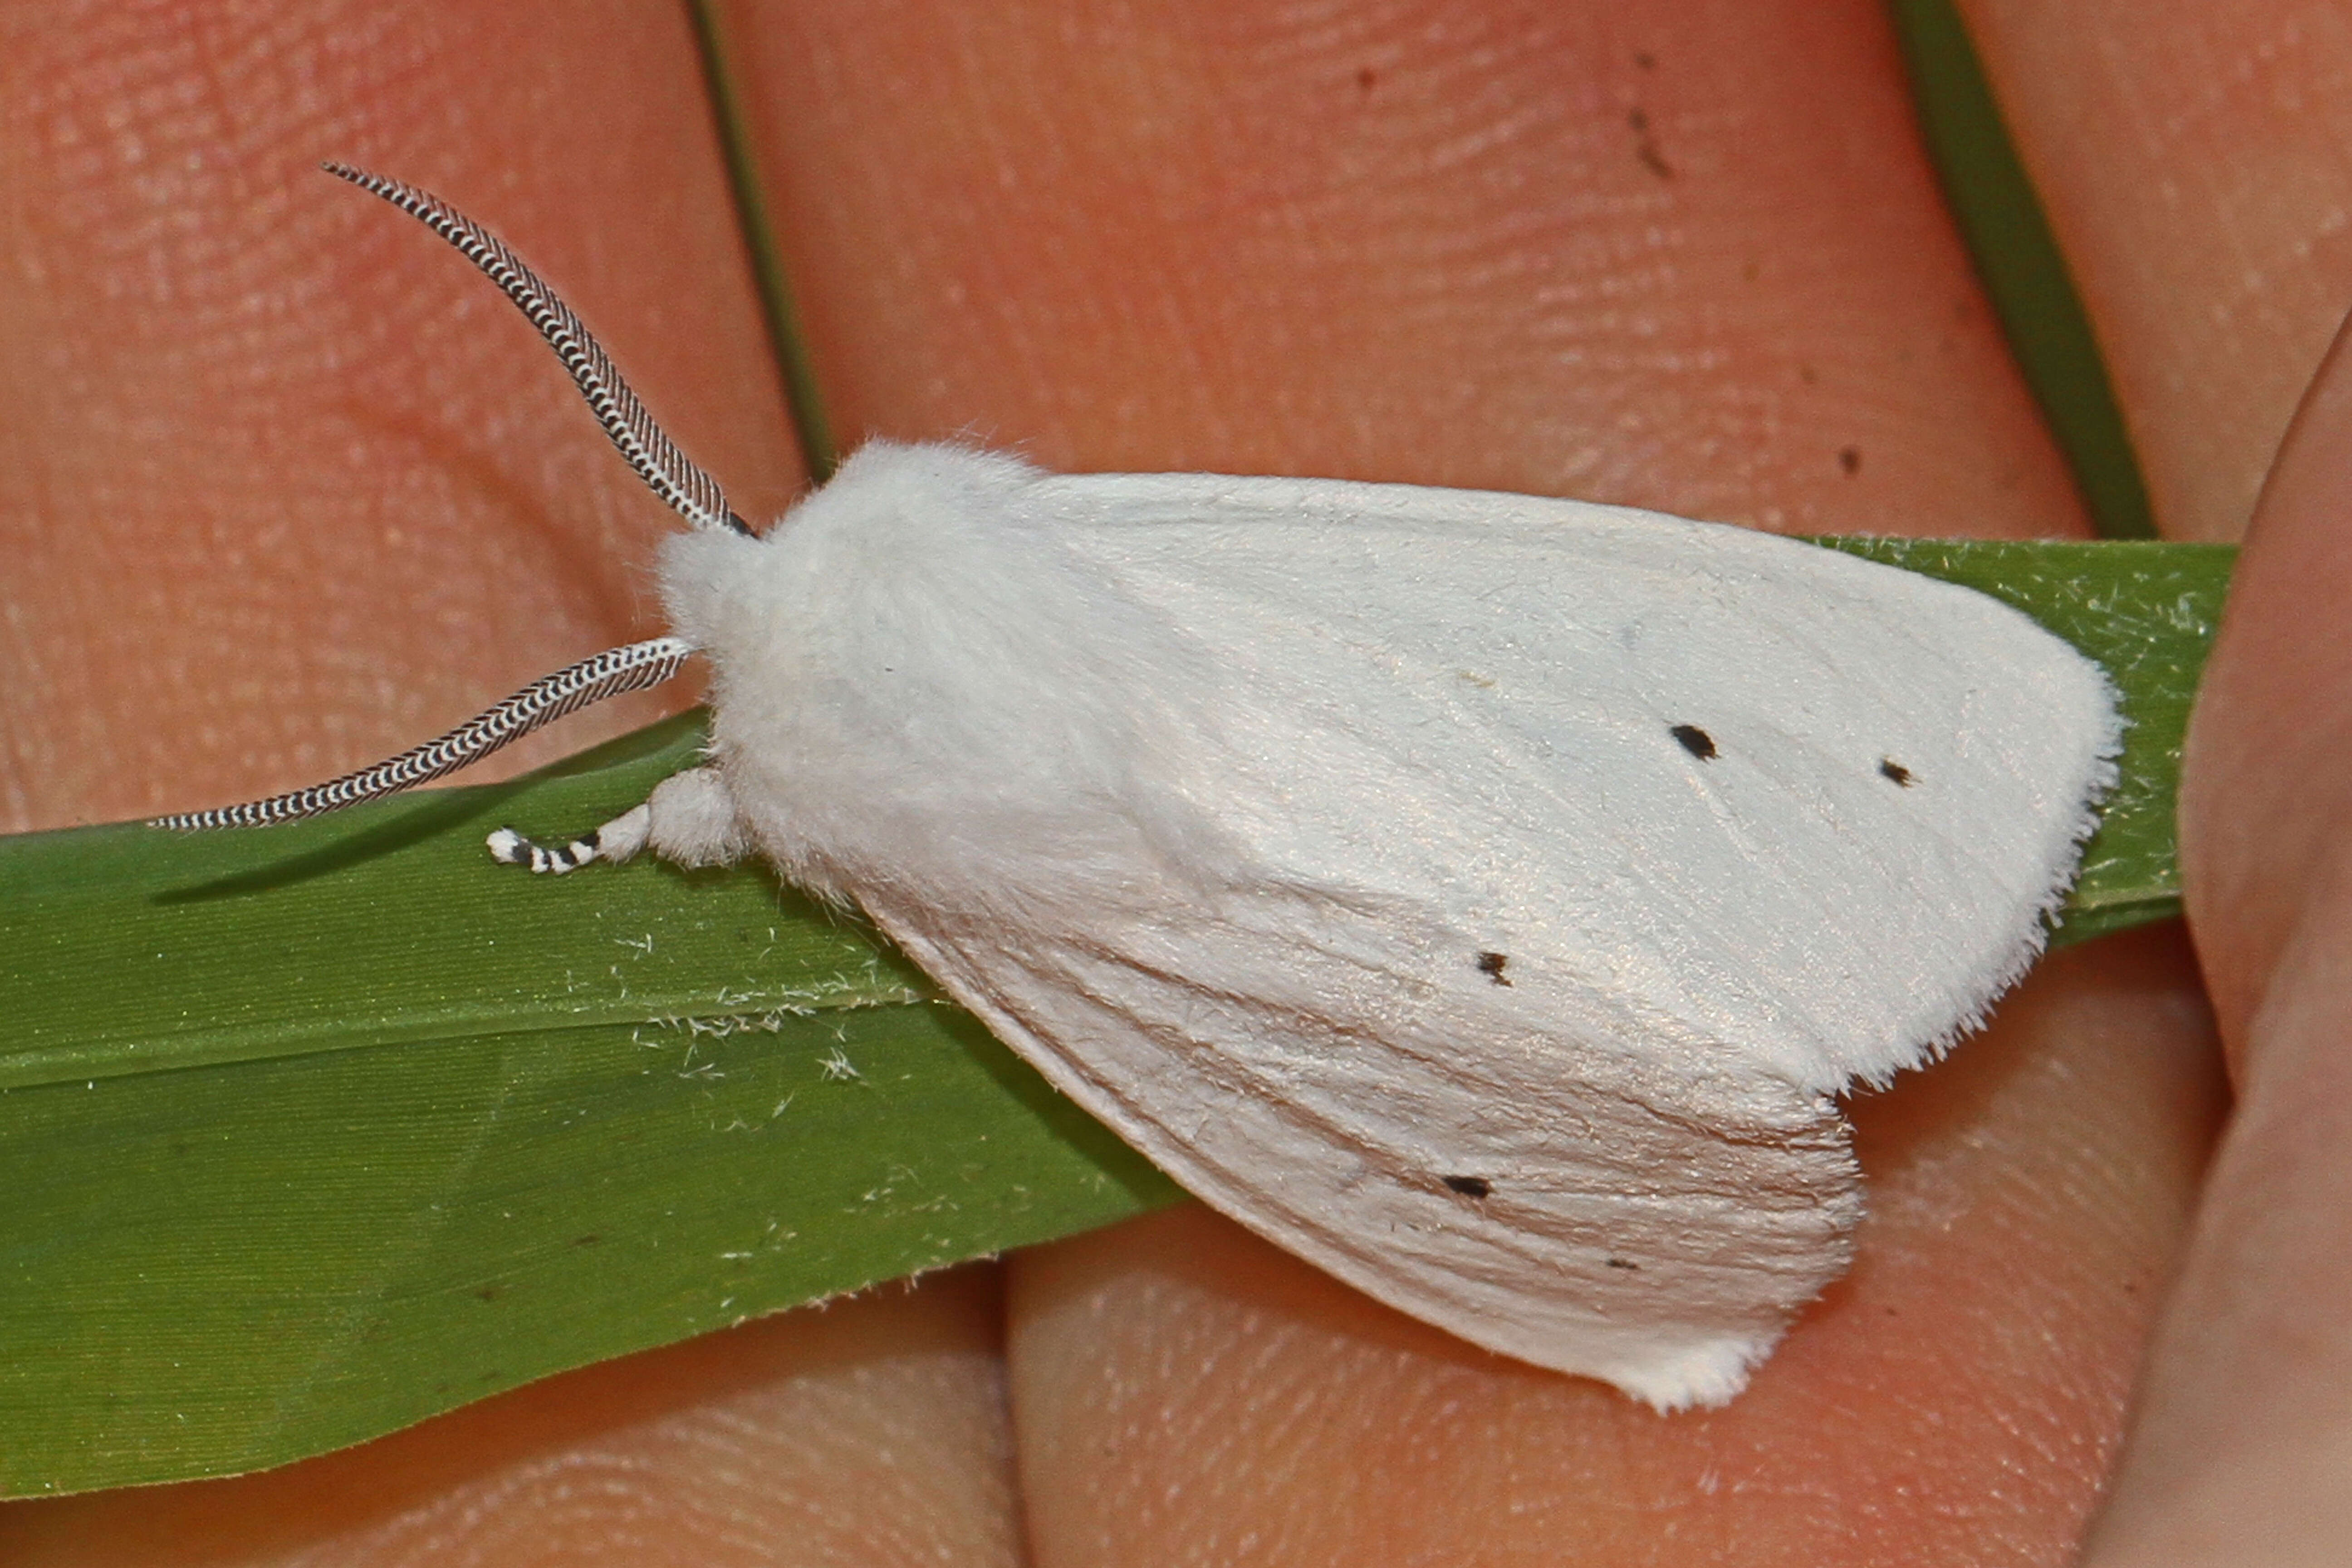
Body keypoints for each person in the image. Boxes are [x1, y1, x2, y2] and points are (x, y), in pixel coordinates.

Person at [0, 3, 2340, 1561]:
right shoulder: (1004, 557)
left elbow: (712, 809)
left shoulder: (797, 788)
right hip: (1469, 686)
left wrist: (608, 823)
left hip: (1239, 1021)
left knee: (1298, 1030)